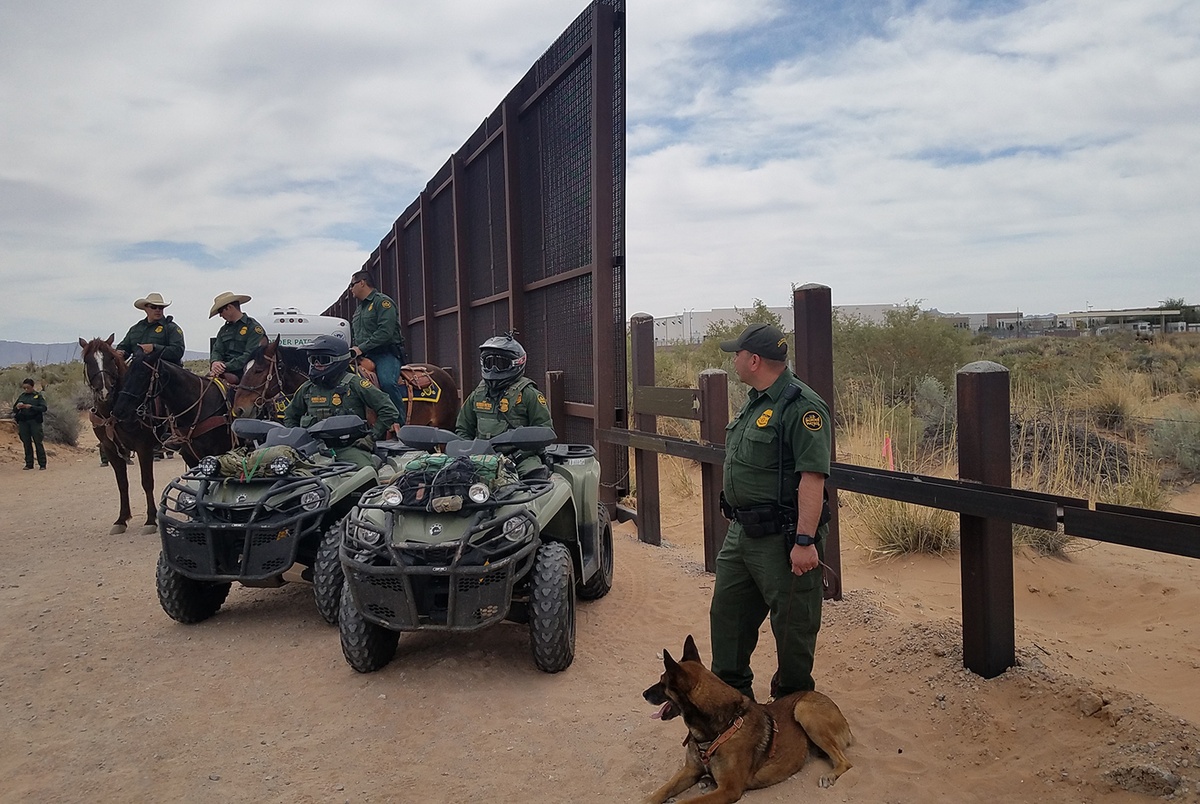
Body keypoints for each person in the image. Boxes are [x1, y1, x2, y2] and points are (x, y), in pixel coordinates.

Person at [709, 322, 831, 701]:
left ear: (755, 360)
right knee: (727, 616)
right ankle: (731, 701)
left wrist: (805, 541)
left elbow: (813, 477)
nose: (734, 360)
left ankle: (792, 705)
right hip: (742, 533)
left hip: (782, 539)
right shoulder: (756, 401)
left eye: (738, 354)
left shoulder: (802, 406)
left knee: (793, 625)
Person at [283, 335, 399, 470]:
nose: (316, 364)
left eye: (322, 360)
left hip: (349, 449)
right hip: (312, 450)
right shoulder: (307, 388)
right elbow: (290, 415)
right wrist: (297, 441)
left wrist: (370, 438)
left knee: (365, 474)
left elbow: (389, 410)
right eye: (313, 360)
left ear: (338, 361)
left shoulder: (356, 384)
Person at [455, 333, 552, 477]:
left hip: (520, 458)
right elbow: (463, 429)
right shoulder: (478, 394)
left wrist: (517, 456)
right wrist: (469, 454)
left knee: (535, 478)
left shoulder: (529, 394)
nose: (494, 369)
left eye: (500, 364)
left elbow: (543, 431)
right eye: (490, 363)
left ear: (517, 363)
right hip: (481, 458)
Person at [348, 271, 408, 424]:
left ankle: (398, 423)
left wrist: (361, 348)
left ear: (362, 282)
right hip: (363, 357)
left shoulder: (382, 303)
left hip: (385, 354)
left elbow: (385, 332)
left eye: (352, 285)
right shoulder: (359, 310)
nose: (351, 289)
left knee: (387, 382)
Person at [208, 291, 265, 381]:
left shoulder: (253, 328)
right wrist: (215, 362)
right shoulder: (223, 330)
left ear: (230, 307)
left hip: (245, 374)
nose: (220, 315)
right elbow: (217, 350)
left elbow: (250, 354)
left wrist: (225, 367)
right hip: (223, 371)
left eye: (220, 311)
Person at [115, 292, 185, 364]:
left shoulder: (171, 328)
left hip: (165, 372)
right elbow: (124, 347)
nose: (157, 310)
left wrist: (154, 348)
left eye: (161, 308)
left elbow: (178, 351)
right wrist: (121, 353)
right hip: (137, 370)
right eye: (153, 307)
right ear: (145, 308)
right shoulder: (135, 329)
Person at [12, 378, 48, 470]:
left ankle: (42, 464)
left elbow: (43, 408)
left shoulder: (38, 396)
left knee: (38, 442)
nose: (26, 390)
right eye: (24, 388)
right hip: (24, 422)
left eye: (28, 388)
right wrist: (18, 407)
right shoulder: (22, 396)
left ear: (32, 387)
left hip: (35, 421)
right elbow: (14, 409)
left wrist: (31, 407)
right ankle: (29, 463)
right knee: (26, 443)